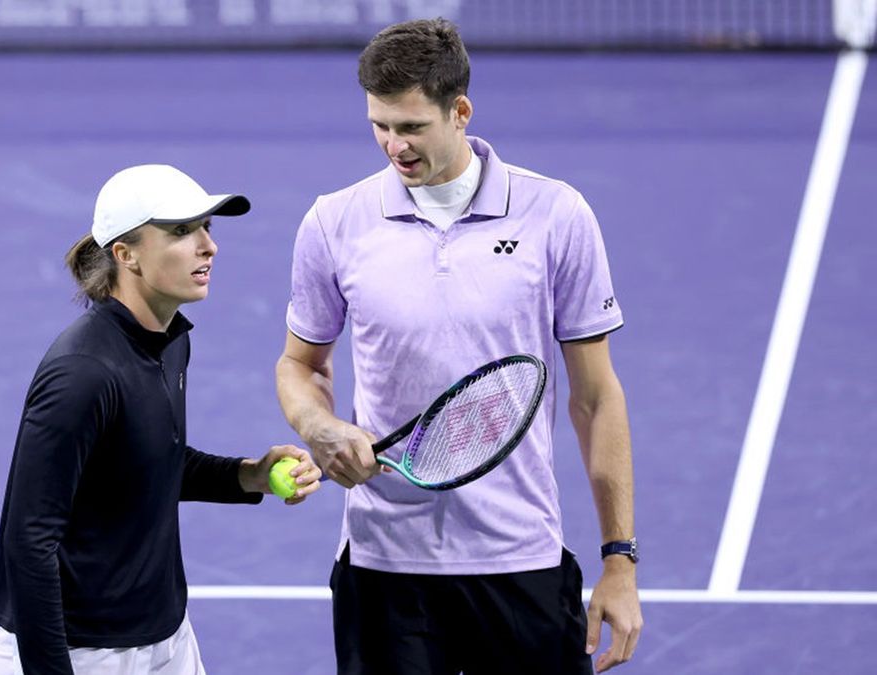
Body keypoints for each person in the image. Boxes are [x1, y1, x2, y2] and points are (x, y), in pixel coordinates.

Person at [275, 18, 643, 675]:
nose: (394, 145)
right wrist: (319, 424)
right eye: (379, 126)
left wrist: (620, 556)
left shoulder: (555, 216)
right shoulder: (335, 221)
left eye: (411, 127)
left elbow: (595, 397)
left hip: (520, 557)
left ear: (460, 111)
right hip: (385, 566)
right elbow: (301, 365)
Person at [0, 164, 322, 675]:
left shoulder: (170, 342)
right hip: (82, 651)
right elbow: (28, 542)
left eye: (207, 228)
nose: (208, 246)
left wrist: (248, 475)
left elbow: (145, 460)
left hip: (166, 636)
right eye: (182, 231)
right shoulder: (83, 374)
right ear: (127, 255)